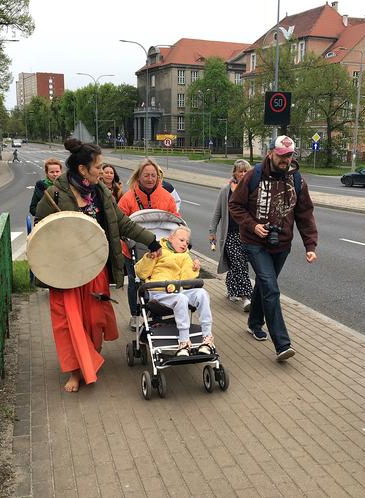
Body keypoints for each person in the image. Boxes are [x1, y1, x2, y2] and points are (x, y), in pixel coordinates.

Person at [35, 138, 162, 393]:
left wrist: (151, 241)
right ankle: (75, 371)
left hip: (94, 269)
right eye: (98, 166)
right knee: (70, 324)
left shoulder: (100, 192)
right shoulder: (56, 194)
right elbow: (40, 234)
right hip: (66, 275)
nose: (102, 171)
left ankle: (89, 358)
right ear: (83, 169)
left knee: (94, 320)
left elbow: (122, 222)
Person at [229, 135, 318, 361]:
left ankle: (254, 322)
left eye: (289, 156)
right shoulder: (253, 176)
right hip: (254, 242)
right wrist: (253, 225)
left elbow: (305, 214)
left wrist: (310, 245)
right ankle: (282, 345)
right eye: (281, 155)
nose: (285, 160)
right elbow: (235, 205)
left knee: (264, 283)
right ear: (271, 153)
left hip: (282, 244)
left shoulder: (297, 180)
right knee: (271, 287)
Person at [118, 158, 183, 330]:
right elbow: (120, 220)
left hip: (161, 247)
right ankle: (135, 314)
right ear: (138, 177)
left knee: (159, 280)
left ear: (158, 177)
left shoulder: (165, 197)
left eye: (153, 175)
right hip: (133, 247)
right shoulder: (128, 198)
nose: (150, 178)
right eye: (146, 175)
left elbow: (174, 218)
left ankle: (157, 314)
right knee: (135, 282)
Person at [135, 226, 214, 356]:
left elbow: (187, 283)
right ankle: (184, 341)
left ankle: (207, 338)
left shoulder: (185, 256)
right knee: (181, 298)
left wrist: (194, 269)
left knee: (202, 293)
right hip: (158, 292)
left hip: (178, 291)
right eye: (182, 240)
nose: (185, 244)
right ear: (170, 238)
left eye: (187, 242)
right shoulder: (158, 250)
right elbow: (141, 273)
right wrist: (150, 257)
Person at [209, 159, 253, 312]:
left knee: (238, 264)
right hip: (230, 236)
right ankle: (247, 297)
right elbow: (217, 213)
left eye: (245, 171)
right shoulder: (225, 191)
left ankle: (232, 289)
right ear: (234, 172)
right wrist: (212, 232)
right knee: (240, 264)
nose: (242, 174)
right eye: (240, 171)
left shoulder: (252, 190)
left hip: (247, 235)